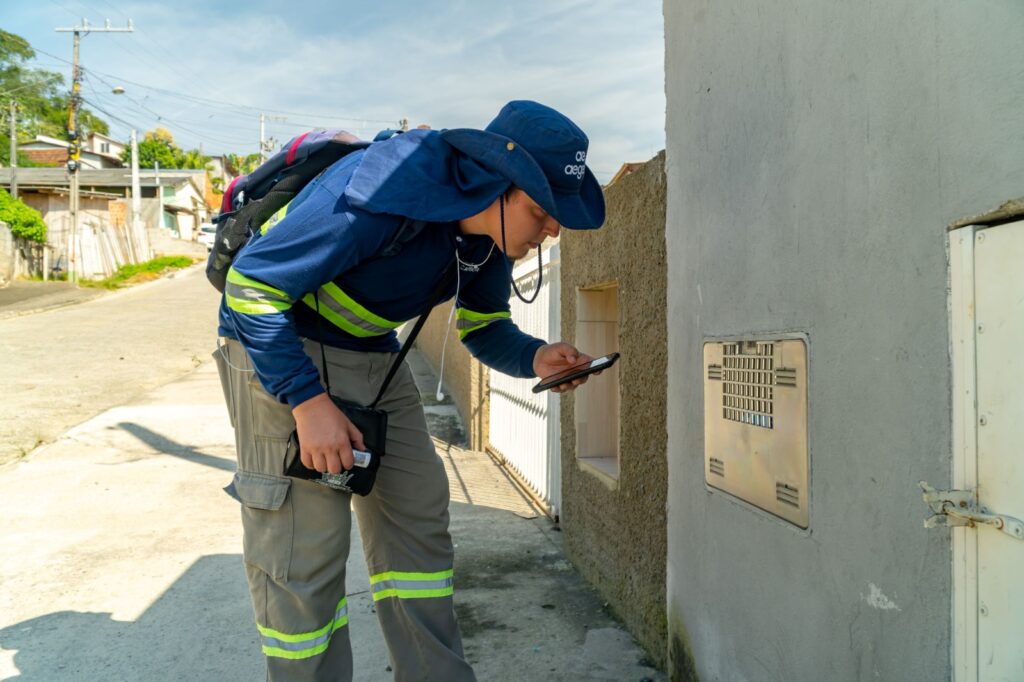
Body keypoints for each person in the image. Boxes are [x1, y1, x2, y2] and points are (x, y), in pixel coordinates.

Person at [213, 100, 606, 681]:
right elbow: (252, 289)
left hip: (373, 354)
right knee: (305, 553)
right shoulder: (381, 190)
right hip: (281, 350)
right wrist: (307, 403)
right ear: (498, 184)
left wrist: (536, 357)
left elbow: (484, 327)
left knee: (418, 513)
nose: (553, 227)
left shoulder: (483, 237)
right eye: (542, 209)